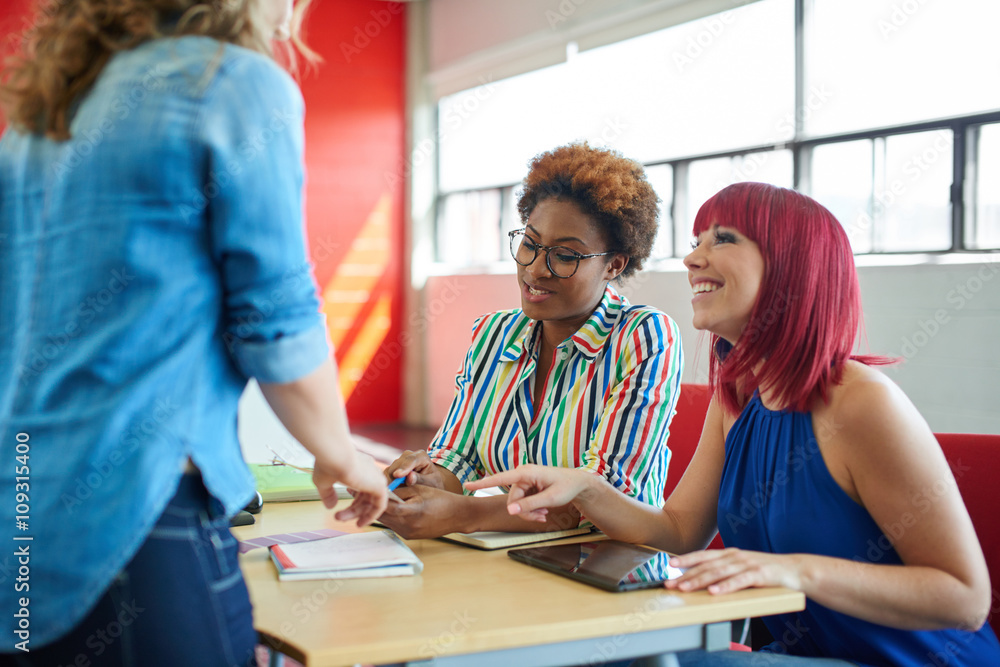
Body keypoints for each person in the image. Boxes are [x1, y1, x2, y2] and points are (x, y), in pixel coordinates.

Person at [467, 182, 1000, 666]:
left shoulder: (862, 402)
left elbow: (965, 598)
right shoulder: (738, 395)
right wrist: (586, 488)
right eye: (697, 239)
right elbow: (678, 533)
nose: (693, 256)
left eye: (721, 239)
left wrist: (795, 570)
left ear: (791, 266)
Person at [0, 1, 387, 664]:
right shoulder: (230, 82)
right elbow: (276, 318)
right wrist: (343, 455)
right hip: (140, 519)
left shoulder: (41, 117)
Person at [378, 142, 684, 539]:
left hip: (607, 564)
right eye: (530, 243)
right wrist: (425, 479)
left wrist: (462, 514)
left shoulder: (642, 337)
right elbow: (459, 456)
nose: (537, 269)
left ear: (614, 265)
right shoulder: (493, 335)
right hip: (516, 558)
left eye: (566, 255)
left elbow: (596, 498)